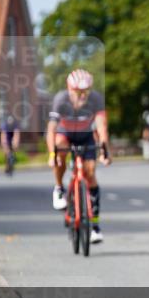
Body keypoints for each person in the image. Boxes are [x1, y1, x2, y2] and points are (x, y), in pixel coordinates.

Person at [46, 69, 111, 243]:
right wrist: (52, 154)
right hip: (65, 134)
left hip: (85, 135)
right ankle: (59, 188)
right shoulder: (61, 100)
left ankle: (95, 226)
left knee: (90, 173)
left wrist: (105, 150)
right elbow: (51, 129)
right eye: (78, 92)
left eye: (86, 91)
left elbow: (101, 126)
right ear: (69, 89)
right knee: (60, 152)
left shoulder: (96, 99)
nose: (82, 95)